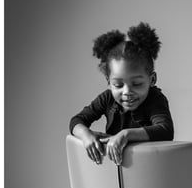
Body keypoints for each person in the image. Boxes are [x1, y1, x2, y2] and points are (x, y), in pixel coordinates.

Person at [69, 22, 174, 166]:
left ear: (152, 79)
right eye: (118, 85)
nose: (127, 92)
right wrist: (86, 136)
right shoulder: (107, 98)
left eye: (136, 84)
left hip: (149, 168)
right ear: (108, 82)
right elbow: (76, 121)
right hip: (115, 171)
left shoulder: (155, 99)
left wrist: (125, 135)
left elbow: (165, 130)